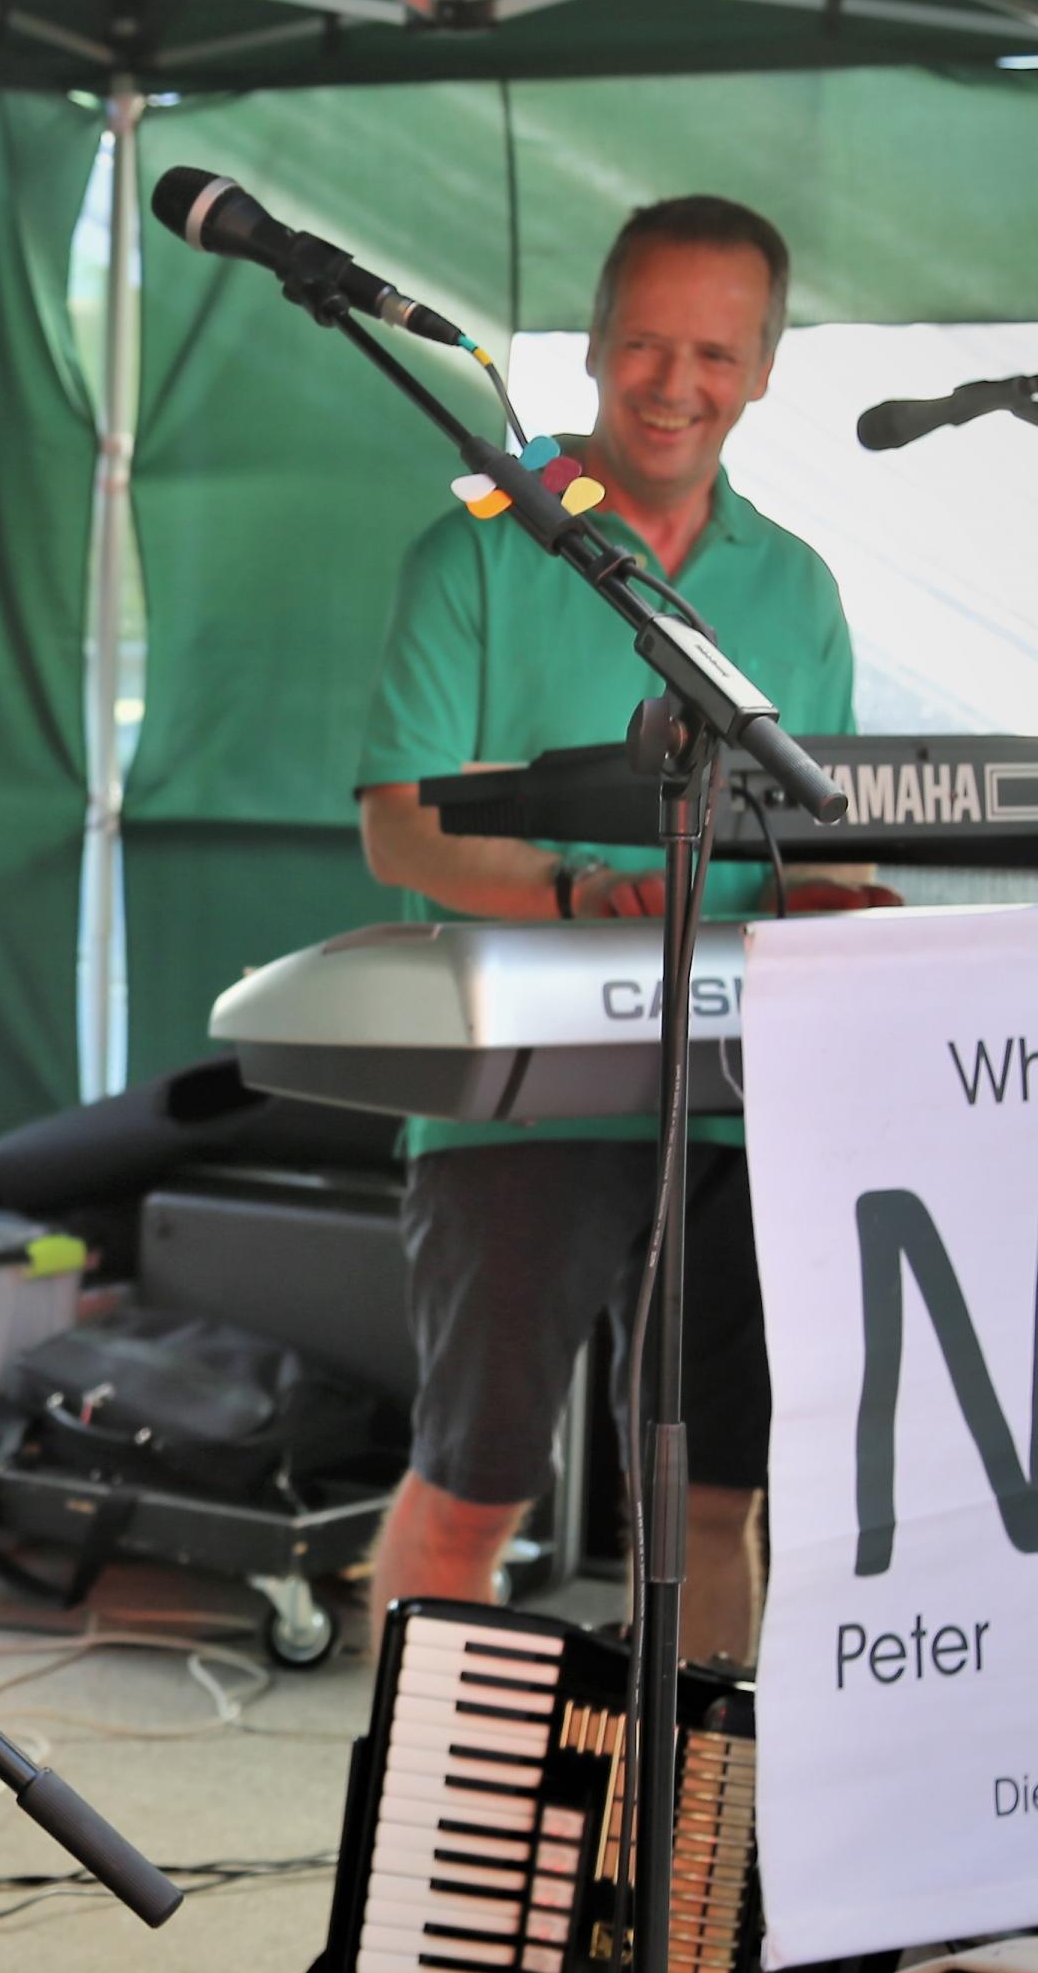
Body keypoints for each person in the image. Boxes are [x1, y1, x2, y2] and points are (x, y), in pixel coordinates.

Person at [348, 194, 887, 1671]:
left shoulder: (796, 584)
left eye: (714, 353)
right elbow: (401, 826)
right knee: (475, 1491)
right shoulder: (470, 551)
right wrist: (584, 895)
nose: (674, 383)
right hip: (521, 1095)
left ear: (763, 370)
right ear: (591, 345)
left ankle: (690, 1805)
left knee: (712, 1504)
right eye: (646, 343)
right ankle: (420, 1794)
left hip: (737, 1099)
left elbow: (816, 848)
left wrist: (845, 907)